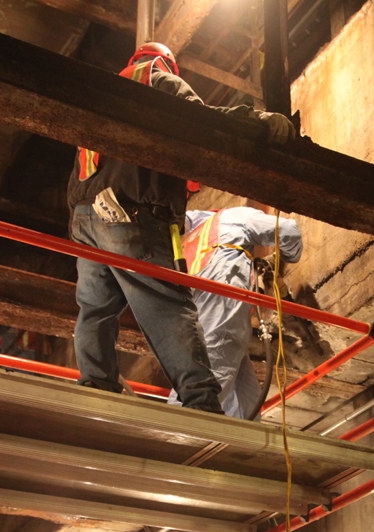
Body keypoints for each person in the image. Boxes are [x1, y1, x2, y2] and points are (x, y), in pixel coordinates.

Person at [68, 42, 294, 412]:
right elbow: (201, 122)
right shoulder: (158, 79)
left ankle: (96, 382)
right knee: (168, 306)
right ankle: (201, 399)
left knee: (95, 309)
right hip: (131, 212)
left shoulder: (103, 97)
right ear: (164, 63)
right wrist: (258, 123)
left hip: (85, 219)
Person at [167, 207, 302, 419]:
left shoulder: (180, 239)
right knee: (199, 396)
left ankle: (242, 450)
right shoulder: (231, 217)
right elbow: (288, 231)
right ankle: (170, 440)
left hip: (193, 320)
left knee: (245, 406)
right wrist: (283, 259)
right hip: (219, 312)